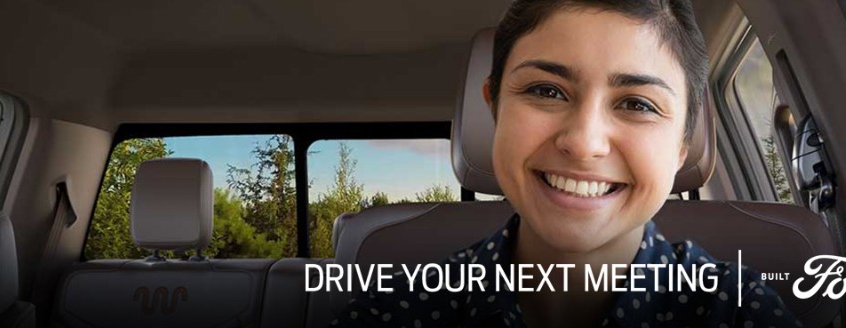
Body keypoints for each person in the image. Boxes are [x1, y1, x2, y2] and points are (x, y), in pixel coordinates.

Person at [334, 1, 798, 327]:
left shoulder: (738, 311)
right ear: (495, 110)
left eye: (637, 104)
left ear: (681, 147)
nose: (583, 143)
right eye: (546, 91)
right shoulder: (389, 314)